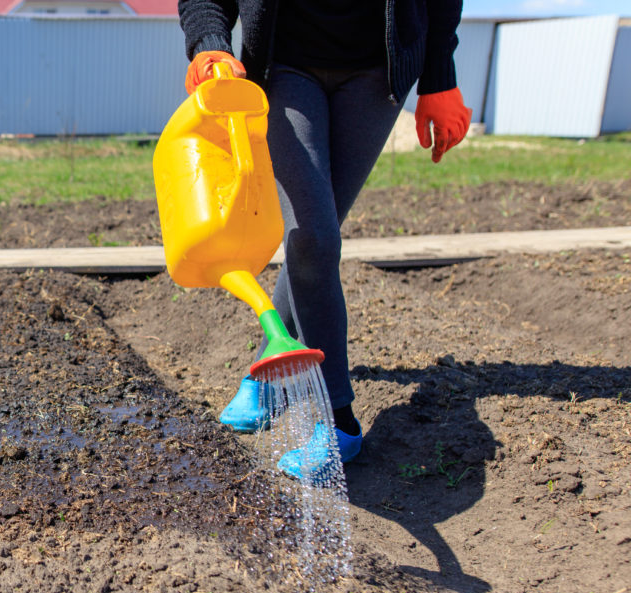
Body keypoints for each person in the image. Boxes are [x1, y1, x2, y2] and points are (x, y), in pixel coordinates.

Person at [178, 0, 472, 469]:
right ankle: (340, 421)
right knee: (312, 236)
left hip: (378, 74)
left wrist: (441, 79)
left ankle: (270, 380)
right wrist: (210, 45)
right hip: (283, 68)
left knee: (315, 236)